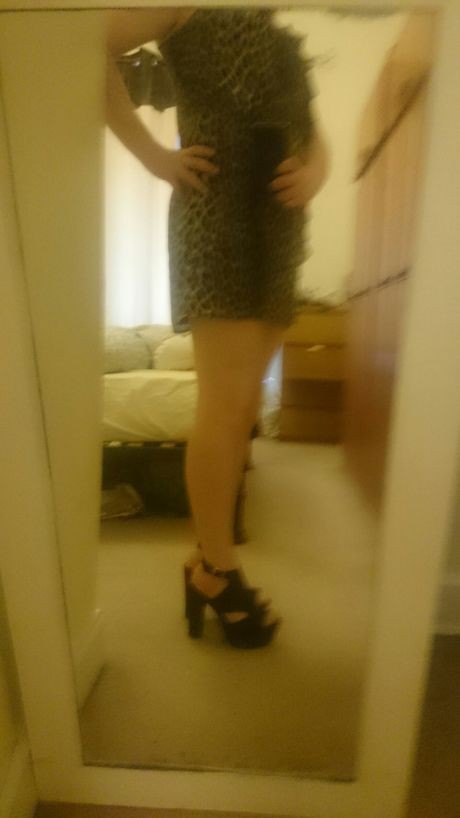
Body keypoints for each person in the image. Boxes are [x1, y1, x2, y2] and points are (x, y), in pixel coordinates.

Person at [106, 6, 330, 649]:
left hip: (278, 234)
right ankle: (218, 569)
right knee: (224, 407)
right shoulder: (186, 5)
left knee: (243, 410)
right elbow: (87, 45)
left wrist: (314, 173)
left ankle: (204, 562)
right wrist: (153, 156)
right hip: (216, 225)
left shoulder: (284, 41)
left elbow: (317, 138)